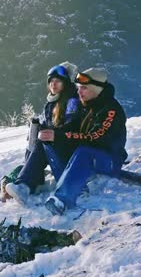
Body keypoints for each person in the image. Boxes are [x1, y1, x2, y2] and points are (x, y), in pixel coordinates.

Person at [41, 68, 128, 215]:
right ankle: (37, 182)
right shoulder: (84, 104)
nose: (79, 92)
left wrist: (61, 136)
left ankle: (62, 199)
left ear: (97, 89)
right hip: (87, 156)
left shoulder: (110, 110)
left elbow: (96, 137)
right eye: (79, 88)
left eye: (84, 88)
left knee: (83, 152)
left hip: (109, 159)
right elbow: (70, 130)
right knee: (49, 142)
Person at [3, 62, 82, 203]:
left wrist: (52, 134)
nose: (53, 84)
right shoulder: (51, 103)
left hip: (71, 151)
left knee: (42, 142)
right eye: (51, 81)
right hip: (57, 148)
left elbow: (71, 126)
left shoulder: (72, 101)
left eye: (58, 81)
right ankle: (28, 184)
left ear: (66, 83)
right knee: (38, 138)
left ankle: (24, 186)